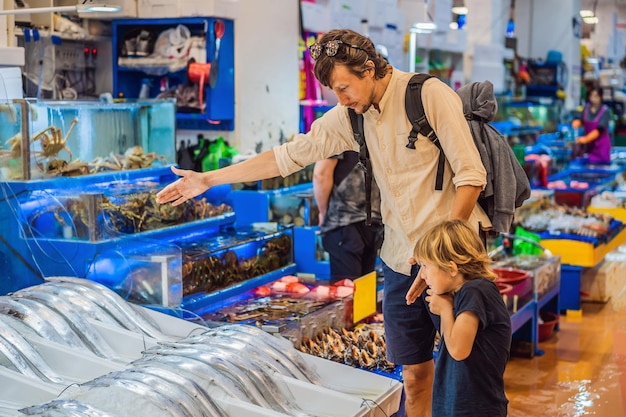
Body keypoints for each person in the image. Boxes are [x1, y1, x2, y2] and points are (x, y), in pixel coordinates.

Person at [156, 29, 490, 417]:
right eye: (335, 91)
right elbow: (288, 157)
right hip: (401, 259)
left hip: (453, 263)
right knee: (414, 376)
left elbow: (471, 175)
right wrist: (208, 178)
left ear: (370, 68)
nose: (341, 99)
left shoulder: (429, 96)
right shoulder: (352, 117)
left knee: (465, 377)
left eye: (345, 87)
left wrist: (440, 256)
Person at [406, 219, 511, 417]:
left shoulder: (476, 292)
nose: (423, 275)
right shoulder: (464, 292)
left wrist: (445, 309)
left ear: (452, 268)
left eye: (426, 266)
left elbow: (459, 350)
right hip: (457, 402)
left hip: (476, 408)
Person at [313, 152, 383, 283]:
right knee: (364, 291)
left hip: (344, 220)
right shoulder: (377, 130)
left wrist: (324, 213)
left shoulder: (336, 130)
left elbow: (321, 175)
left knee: (346, 293)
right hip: (374, 218)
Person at [573, 86, 612, 164]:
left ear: (600, 97)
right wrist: (576, 123)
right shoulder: (586, 108)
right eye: (591, 96)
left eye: (596, 96)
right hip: (590, 147)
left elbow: (599, 129)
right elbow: (582, 121)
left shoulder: (605, 111)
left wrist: (586, 139)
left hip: (601, 147)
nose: (593, 98)